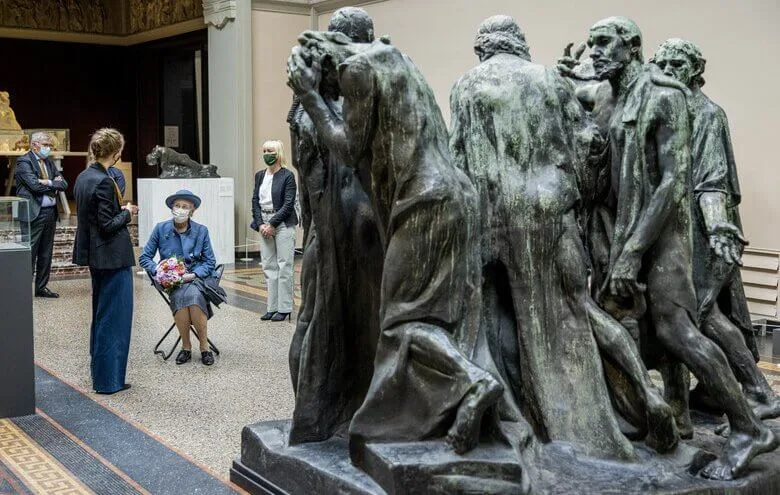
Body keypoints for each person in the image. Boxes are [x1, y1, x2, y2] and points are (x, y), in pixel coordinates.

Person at [449, 15, 675, 458]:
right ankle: (648, 401)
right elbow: (591, 140)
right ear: (520, 45)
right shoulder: (549, 80)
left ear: (482, 49)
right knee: (580, 312)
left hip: (490, 217)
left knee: (486, 317)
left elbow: (459, 157)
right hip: (549, 212)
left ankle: (508, 413)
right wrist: (585, 195)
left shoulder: (464, 86)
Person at [568, 17, 777, 480]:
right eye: (590, 44)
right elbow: (573, 91)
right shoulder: (603, 93)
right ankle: (654, 416)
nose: (594, 51)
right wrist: (563, 75)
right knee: (629, 328)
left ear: (633, 46)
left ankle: (748, 426)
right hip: (619, 233)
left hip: (662, 239)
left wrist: (633, 251)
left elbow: (672, 183)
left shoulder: (665, 95)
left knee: (678, 331)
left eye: (604, 43)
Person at [650, 39, 780, 420]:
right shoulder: (671, 109)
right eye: (663, 64)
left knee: (703, 313)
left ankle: (758, 390)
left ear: (694, 70)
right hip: (677, 228)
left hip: (703, 229)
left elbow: (712, 183)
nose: (669, 71)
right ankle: (711, 390)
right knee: (699, 313)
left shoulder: (706, 114)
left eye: (677, 65)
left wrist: (715, 229)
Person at [72, 128, 137, 395]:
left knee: (101, 316)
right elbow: (109, 224)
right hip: (112, 256)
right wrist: (128, 213)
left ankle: (100, 374)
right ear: (116, 153)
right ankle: (110, 381)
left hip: (96, 255)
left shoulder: (84, 176)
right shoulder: (105, 181)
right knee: (115, 319)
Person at [139, 189, 219, 366]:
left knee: (193, 295)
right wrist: (160, 270)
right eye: (178, 206)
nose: (181, 209)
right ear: (172, 208)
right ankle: (186, 346)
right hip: (171, 281)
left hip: (197, 278)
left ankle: (204, 347)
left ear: (192, 211)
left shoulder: (201, 231)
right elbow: (144, 257)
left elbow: (210, 261)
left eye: (185, 207)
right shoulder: (161, 229)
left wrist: (194, 274)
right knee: (181, 295)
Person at [15, 131, 68, 298]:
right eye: (45, 144)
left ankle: (41, 288)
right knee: (30, 253)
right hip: (33, 213)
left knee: (46, 252)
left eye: (49, 145)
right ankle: (24, 289)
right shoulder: (24, 161)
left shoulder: (49, 162)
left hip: (50, 213)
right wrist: (53, 184)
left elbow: (64, 184)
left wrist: (46, 181)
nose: (48, 148)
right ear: (34, 144)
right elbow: (33, 186)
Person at [250, 140, 298, 322]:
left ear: (278, 153)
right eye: (263, 151)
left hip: (283, 223)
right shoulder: (260, 175)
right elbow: (255, 201)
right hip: (264, 222)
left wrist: (272, 224)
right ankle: (272, 307)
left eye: (269, 150)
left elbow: (288, 204)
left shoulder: (287, 175)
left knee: (284, 266)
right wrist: (261, 224)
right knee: (269, 266)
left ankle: (284, 308)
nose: (266, 154)